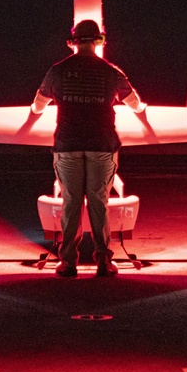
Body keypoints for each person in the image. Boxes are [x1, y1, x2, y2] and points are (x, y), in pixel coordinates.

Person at [31, 19, 146, 278]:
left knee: (71, 202)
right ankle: (104, 260)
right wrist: (143, 111)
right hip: (101, 145)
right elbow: (135, 103)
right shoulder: (111, 71)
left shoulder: (58, 71)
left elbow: (38, 105)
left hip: (68, 145)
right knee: (99, 202)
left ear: (73, 41)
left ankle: (68, 261)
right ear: (99, 40)